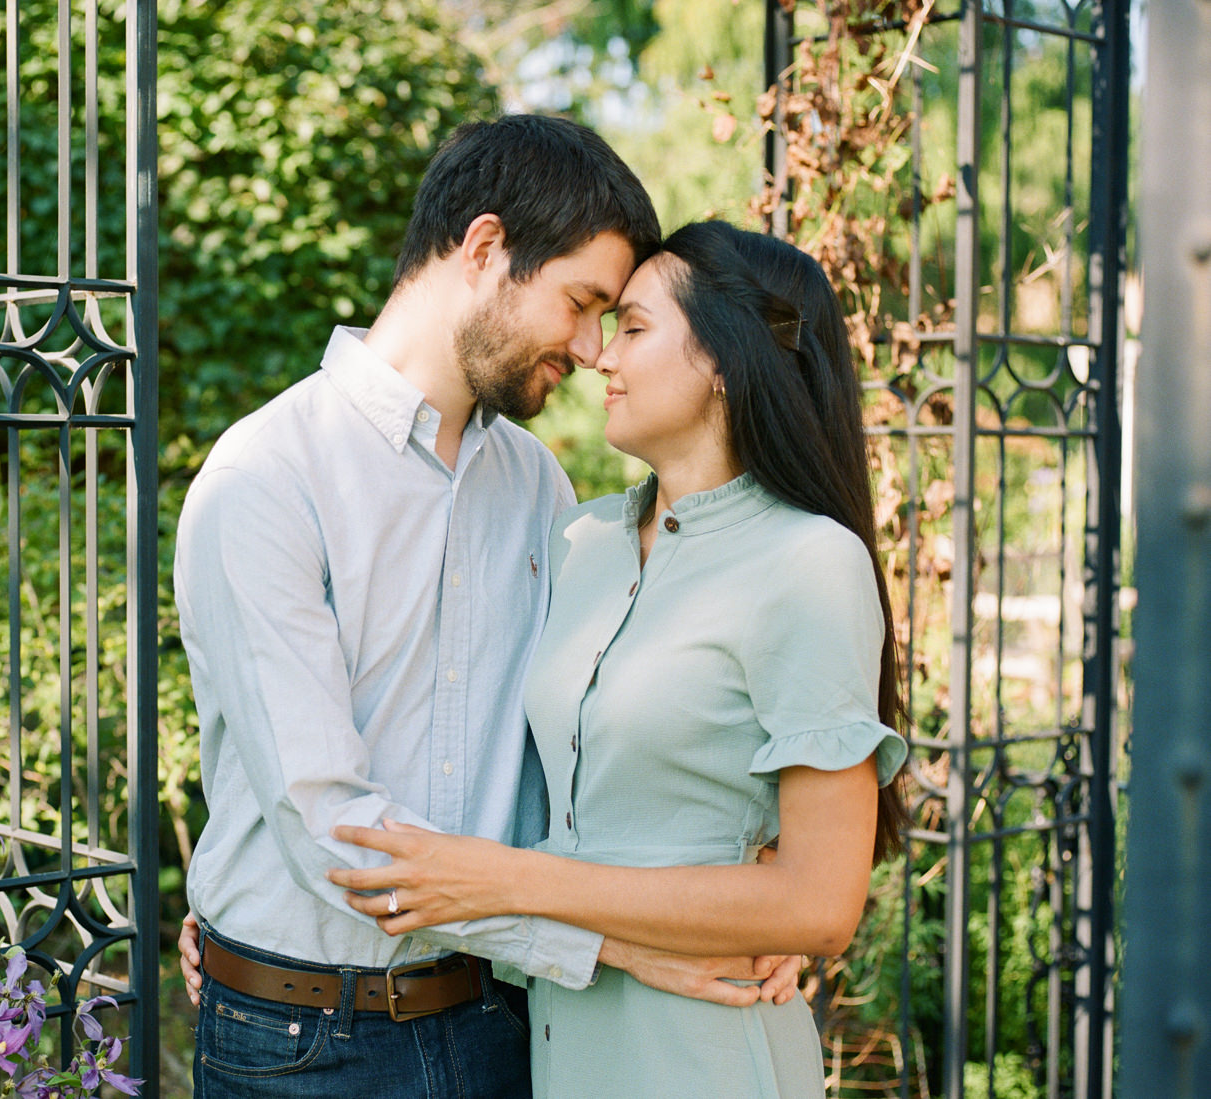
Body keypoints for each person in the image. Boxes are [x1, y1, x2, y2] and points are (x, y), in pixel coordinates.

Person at [172, 119, 799, 1098]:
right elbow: (335, 836)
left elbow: (587, 747)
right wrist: (609, 943)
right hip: (305, 1045)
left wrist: (740, 886)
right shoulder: (267, 476)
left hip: (506, 1021)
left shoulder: (540, 488)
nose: (595, 351)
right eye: (584, 304)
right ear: (485, 249)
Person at [328, 219, 911, 1098]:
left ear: (724, 358)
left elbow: (821, 904)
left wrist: (505, 879)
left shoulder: (811, 563)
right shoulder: (581, 538)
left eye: (633, 328)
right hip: (557, 1047)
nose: (601, 355)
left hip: (710, 1050)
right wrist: (250, 904)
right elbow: (472, 752)